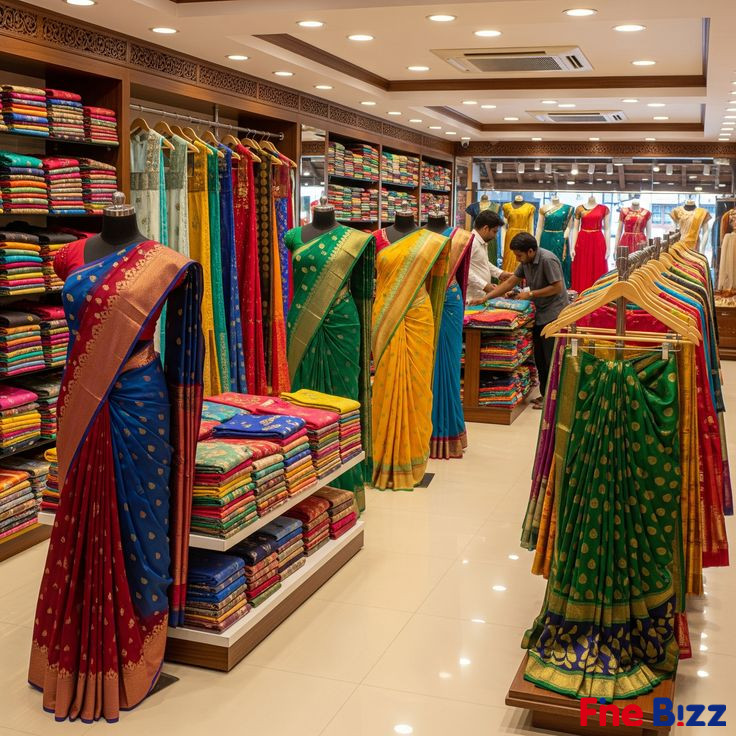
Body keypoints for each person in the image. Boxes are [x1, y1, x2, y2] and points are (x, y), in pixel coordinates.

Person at [485, 232, 567, 408]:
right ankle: (545, 395)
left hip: (554, 315)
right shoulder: (526, 261)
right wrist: (486, 298)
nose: (517, 259)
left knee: (551, 359)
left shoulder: (547, 260)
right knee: (540, 359)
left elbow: (558, 287)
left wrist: (530, 294)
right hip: (540, 314)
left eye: (519, 255)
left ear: (530, 251)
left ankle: (554, 401)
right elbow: (510, 283)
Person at [467, 209, 512, 304]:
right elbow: (465, 270)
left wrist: (500, 273)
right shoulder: (471, 243)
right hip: (471, 297)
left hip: (480, 294)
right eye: (494, 232)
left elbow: (484, 262)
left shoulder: (481, 242)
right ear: (485, 228)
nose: (495, 236)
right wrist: (484, 286)